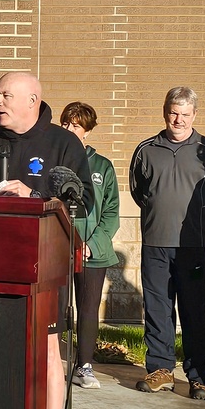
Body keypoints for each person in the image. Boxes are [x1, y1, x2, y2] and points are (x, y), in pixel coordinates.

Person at [0, 71, 92, 409]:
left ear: (33, 99)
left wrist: (34, 195)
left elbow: (83, 201)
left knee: (47, 353)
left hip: (44, 265)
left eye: (6, 95)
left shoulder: (63, 143)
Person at [129, 86, 205, 401]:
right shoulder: (146, 149)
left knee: (195, 310)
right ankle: (161, 370)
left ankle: (199, 377)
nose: (179, 119)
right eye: (174, 112)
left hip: (193, 246)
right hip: (155, 243)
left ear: (195, 115)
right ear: (165, 111)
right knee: (158, 309)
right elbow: (139, 190)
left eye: (185, 114)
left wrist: (200, 223)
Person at [60, 102, 120, 390]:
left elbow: (111, 213)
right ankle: (48, 361)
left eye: (77, 125)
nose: (71, 130)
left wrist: (91, 245)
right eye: (67, 124)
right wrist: (65, 240)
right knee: (55, 310)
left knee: (87, 308)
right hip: (58, 248)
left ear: (87, 131)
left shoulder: (102, 167)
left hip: (92, 253)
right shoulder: (54, 162)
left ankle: (83, 365)